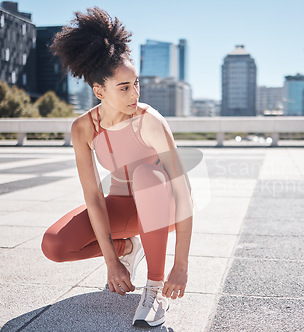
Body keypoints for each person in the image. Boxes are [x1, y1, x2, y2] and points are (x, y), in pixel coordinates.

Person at [40, 7, 194, 328]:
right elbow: (94, 197)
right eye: (124, 87)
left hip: (158, 211)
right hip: (120, 211)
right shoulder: (83, 128)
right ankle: (128, 247)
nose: (135, 94)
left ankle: (154, 290)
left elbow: (183, 194)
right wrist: (111, 260)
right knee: (54, 245)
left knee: (147, 174)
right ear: (99, 91)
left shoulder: (150, 121)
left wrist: (180, 266)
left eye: (136, 83)